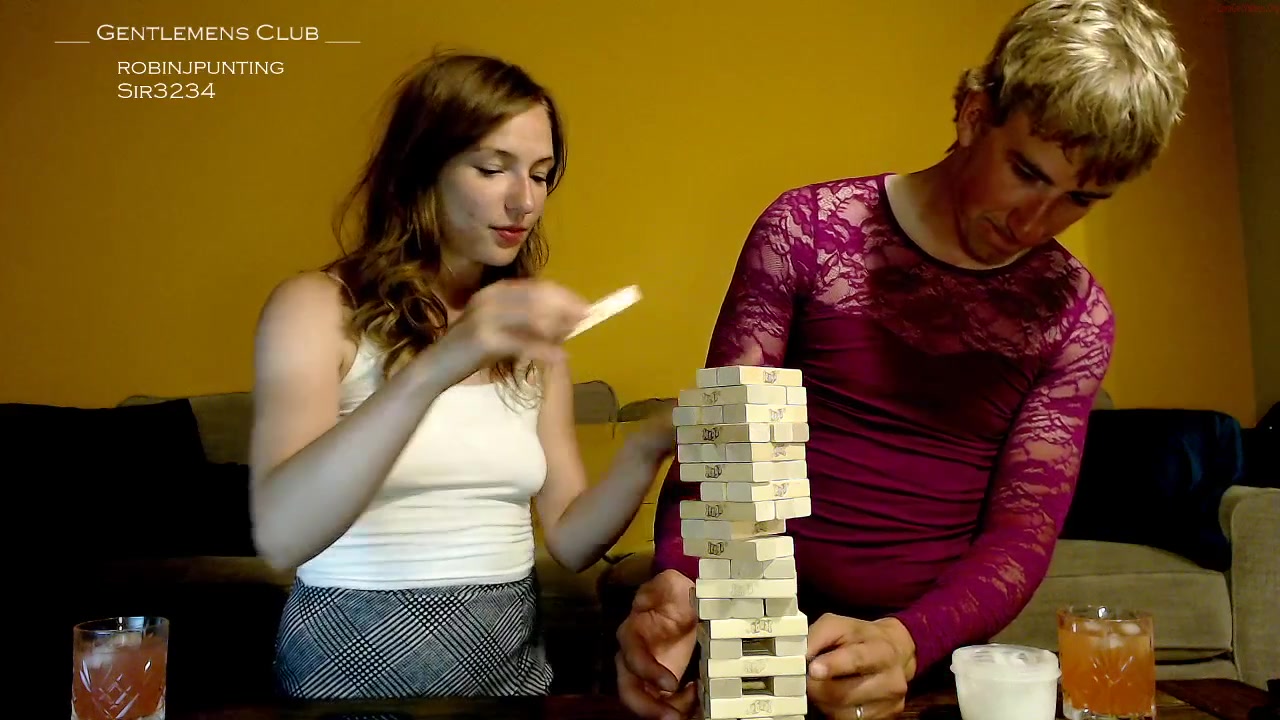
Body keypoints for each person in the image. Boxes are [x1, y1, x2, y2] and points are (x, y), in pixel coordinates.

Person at [614, 1, 1189, 718]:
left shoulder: (1078, 315)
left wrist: (909, 642)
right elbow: (725, 447)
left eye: (1081, 198)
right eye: (1026, 172)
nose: (1033, 222)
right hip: (753, 639)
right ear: (973, 114)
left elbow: (1021, 536)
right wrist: (678, 580)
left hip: (922, 659)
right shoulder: (805, 231)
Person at [248, 52, 673, 700]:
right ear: (423, 167)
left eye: (541, 175)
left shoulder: (524, 334)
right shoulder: (316, 306)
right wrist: (444, 361)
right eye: (492, 168)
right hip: (342, 674)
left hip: (510, 674)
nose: (523, 201)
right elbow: (282, 536)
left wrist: (647, 446)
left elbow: (570, 539)